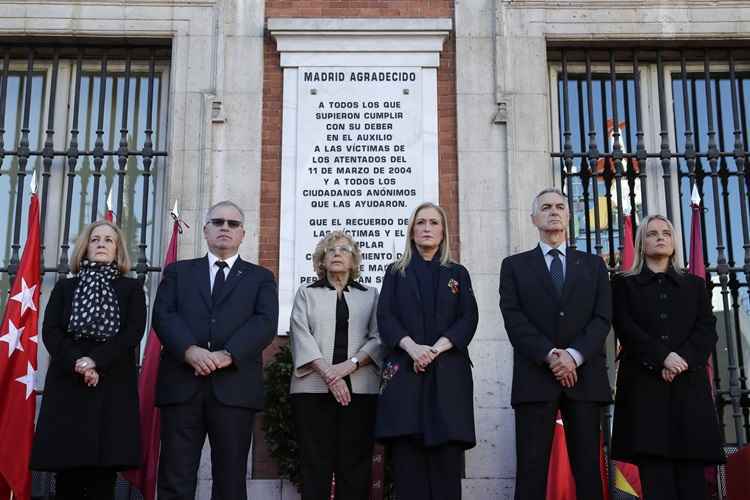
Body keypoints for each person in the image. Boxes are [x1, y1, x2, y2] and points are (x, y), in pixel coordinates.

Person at [153, 200, 279, 500]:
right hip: (182, 386)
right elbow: (163, 315)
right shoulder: (178, 272)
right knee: (176, 475)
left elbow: (264, 323)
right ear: (205, 230)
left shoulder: (260, 277)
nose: (225, 228)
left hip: (234, 389)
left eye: (233, 224)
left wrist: (227, 354)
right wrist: (190, 351)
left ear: (242, 234)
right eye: (218, 222)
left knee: (230, 480)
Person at [499, 188, 611, 500]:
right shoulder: (514, 266)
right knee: (531, 471)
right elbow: (514, 319)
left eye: (560, 206)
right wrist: (551, 356)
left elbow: (602, 318)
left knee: (589, 470)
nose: (553, 211)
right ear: (534, 218)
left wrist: (573, 356)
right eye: (546, 207)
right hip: (535, 379)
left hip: (585, 380)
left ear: (569, 216)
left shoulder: (594, 265)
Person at [30, 220, 146, 500]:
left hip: (111, 383)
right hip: (69, 383)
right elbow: (51, 330)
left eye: (108, 240)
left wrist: (96, 362)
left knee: (102, 475)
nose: (101, 244)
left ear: (117, 249)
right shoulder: (65, 288)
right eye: (95, 239)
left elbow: (132, 332)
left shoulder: (131, 289)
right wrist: (78, 362)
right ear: (85, 247)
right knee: (67, 472)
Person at [611, 214, 724, 500]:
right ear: (641, 242)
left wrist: (680, 360)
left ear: (674, 243)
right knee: (656, 484)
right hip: (645, 394)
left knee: (693, 487)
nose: (660, 237)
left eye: (666, 233)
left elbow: (706, 330)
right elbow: (626, 327)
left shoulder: (695, 286)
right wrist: (663, 358)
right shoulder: (623, 285)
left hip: (688, 393)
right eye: (652, 233)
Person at [375, 201, 478, 500]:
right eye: (421, 223)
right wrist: (412, 348)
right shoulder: (396, 273)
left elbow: (468, 318)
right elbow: (386, 317)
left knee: (446, 471)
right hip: (406, 378)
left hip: (447, 378)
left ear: (443, 231)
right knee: (409, 471)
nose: (427, 228)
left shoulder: (458, 273)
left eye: (433, 223)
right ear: (412, 231)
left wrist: (434, 350)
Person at [289, 230, 382, 500]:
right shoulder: (306, 294)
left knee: (355, 465)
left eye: (344, 250)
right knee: (314, 463)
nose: (337, 254)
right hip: (311, 391)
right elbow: (300, 334)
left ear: (354, 261)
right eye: (331, 250)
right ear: (321, 260)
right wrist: (331, 375)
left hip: (360, 391)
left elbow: (379, 338)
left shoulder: (370, 295)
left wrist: (348, 367)